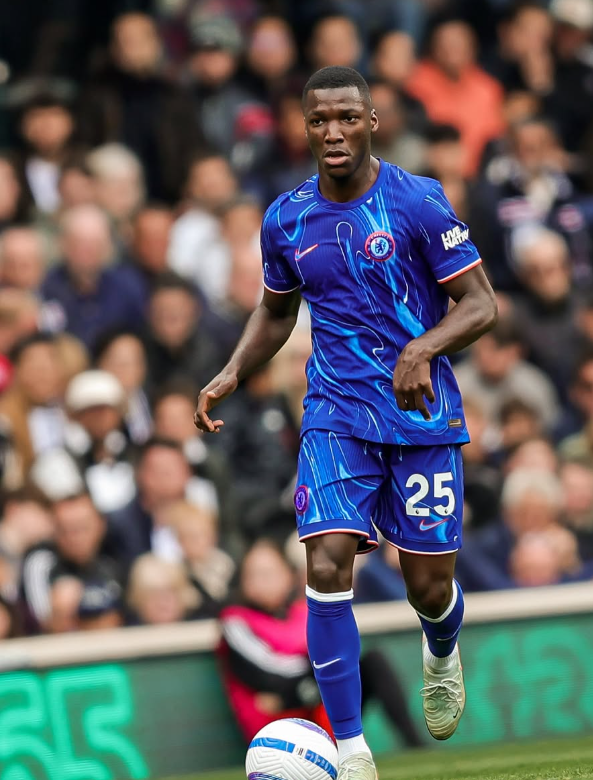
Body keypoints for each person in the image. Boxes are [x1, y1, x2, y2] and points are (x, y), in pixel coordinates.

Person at [194, 66, 498, 779]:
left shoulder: (417, 202)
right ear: (305, 127)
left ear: (371, 123)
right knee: (326, 562)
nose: (332, 131)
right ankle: (354, 752)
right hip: (334, 413)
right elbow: (274, 310)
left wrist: (422, 347)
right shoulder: (286, 218)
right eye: (318, 119)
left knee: (428, 586)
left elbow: (481, 303)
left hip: (420, 416)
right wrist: (235, 369)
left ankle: (441, 647)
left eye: (346, 118)